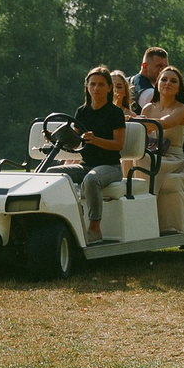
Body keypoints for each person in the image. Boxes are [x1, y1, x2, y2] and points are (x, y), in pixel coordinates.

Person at [138, 65, 184, 235]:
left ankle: (146, 210)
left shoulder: (181, 109)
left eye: (173, 81)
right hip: (153, 153)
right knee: (131, 156)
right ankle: (132, 203)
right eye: (164, 79)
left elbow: (163, 123)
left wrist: (133, 120)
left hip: (173, 158)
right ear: (157, 84)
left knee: (143, 159)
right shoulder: (148, 108)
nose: (168, 83)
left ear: (179, 87)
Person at [68, 66, 126, 240]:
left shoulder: (115, 113)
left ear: (109, 88)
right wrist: (57, 139)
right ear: (87, 87)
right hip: (86, 165)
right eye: (92, 84)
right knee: (51, 175)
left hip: (111, 167)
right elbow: (75, 142)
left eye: (101, 84)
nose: (96, 88)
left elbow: (118, 145)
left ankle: (94, 229)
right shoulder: (82, 111)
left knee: (91, 180)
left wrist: (96, 140)